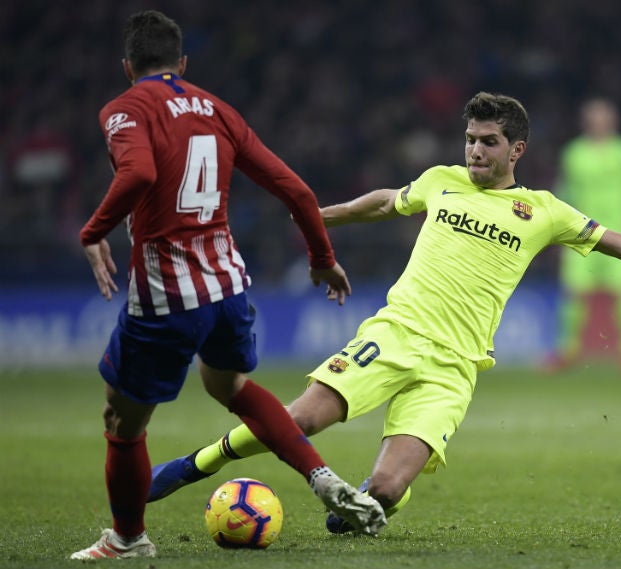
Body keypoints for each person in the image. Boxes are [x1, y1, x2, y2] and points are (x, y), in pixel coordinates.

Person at [148, 92, 621, 533]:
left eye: (488, 142)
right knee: (304, 418)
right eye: (470, 139)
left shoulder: (544, 211)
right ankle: (194, 465)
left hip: (454, 368)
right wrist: (316, 216)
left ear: (516, 149)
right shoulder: (441, 180)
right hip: (397, 334)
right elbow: (386, 202)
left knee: (387, 489)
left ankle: (376, 496)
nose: (475, 151)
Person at [70, 10, 385, 561]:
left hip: (167, 295)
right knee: (231, 387)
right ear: (182, 63)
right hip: (227, 286)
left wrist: (92, 231)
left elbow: (139, 173)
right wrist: (322, 258)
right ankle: (319, 475)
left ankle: (128, 538)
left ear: (127, 67)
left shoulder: (125, 108)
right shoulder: (217, 109)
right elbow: (297, 191)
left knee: (122, 422)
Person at [547, 97, 621, 373]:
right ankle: (568, 351)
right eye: (593, 118)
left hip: (620, 232)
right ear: (585, 122)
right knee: (574, 292)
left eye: (603, 118)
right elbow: (564, 191)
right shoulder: (573, 153)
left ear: (612, 122)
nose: (598, 123)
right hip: (581, 231)